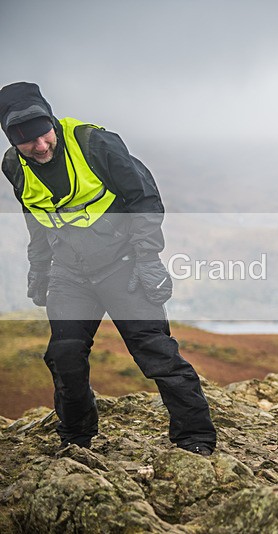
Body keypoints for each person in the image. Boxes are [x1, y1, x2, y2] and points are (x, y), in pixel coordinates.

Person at [0, 82, 217, 455]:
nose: (39, 146)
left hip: (123, 266)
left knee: (155, 352)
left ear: (51, 121)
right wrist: (39, 270)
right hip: (70, 274)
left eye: (43, 134)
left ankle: (195, 439)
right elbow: (35, 220)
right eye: (26, 142)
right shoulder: (13, 167)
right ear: (11, 140)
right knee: (64, 356)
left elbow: (144, 196)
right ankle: (76, 440)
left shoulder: (94, 143)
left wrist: (148, 259)